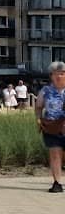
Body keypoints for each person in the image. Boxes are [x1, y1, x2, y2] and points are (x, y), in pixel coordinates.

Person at [35, 61, 65, 192]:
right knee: (55, 154)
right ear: (51, 76)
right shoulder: (45, 91)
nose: (59, 76)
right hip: (51, 127)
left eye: (62, 74)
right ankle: (57, 182)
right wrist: (38, 119)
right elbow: (38, 107)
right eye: (56, 74)